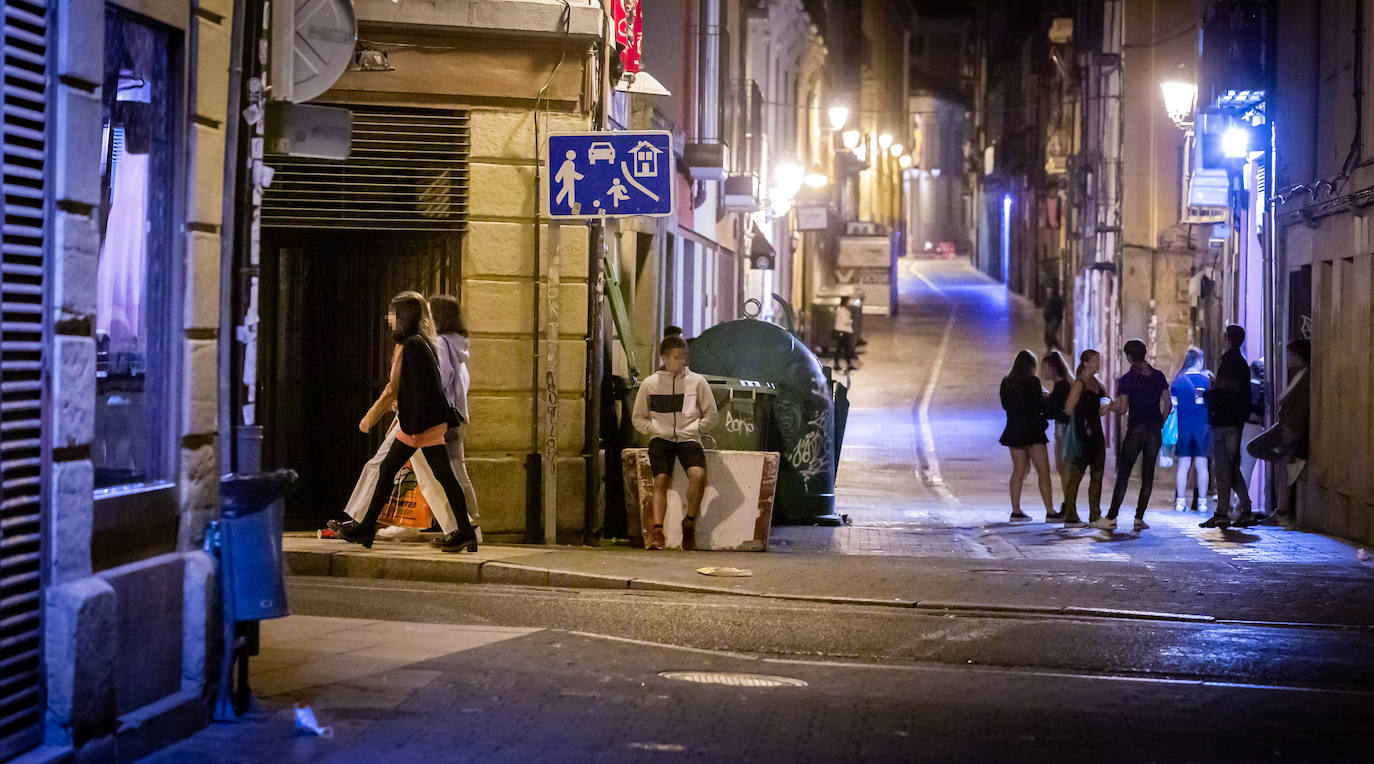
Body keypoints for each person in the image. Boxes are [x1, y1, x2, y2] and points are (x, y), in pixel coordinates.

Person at [334, 292, 478, 551]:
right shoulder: (421, 342)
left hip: (419, 427)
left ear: (404, 317)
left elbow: (421, 390)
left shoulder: (413, 345)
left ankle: (365, 527)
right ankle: (465, 531)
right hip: (424, 425)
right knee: (436, 476)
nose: (389, 318)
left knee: (399, 472)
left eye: (393, 313)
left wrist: (411, 426)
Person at [632, 335, 719, 550]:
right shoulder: (650, 384)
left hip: (689, 439)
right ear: (664, 358)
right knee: (660, 480)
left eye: (684, 357)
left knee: (698, 475)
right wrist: (653, 429)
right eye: (676, 357)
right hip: (661, 439)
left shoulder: (697, 382)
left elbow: (712, 415)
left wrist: (696, 428)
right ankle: (658, 532)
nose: (681, 362)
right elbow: (638, 417)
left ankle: (688, 522)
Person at [411, 294, 480, 545]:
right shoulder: (458, 343)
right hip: (458, 415)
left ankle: (465, 524)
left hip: (443, 415)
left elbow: (442, 380)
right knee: (457, 469)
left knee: (448, 472)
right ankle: (470, 523)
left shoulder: (440, 343)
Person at [1091, 339, 1171, 532]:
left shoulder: (1126, 379)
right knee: (1148, 475)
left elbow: (1124, 408)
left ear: (1128, 356)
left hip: (1136, 429)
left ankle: (1112, 516)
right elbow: (1168, 405)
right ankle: (1139, 517)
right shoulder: (1158, 376)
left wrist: (1111, 406)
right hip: (1154, 430)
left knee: (1124, 474)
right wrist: (1160, 422)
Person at [1248, 339, 1310, 529]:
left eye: (1291, 355)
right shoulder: (1296, 374)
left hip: (1292, 427)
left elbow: (1285, 399)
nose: (1288, 359)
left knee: (1284, 471)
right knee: (1254, 447)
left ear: (1299, 358)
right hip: (1284, 424)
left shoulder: (1305, 375)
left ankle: (1282, 512)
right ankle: (1285, 460)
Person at [1202, 324, 1255, 528]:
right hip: (1235, 421)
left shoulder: (1229, 361)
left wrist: (1210, 392)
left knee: (1224, 467)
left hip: (1225, 421)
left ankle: (1229, 512)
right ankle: (1233, 510)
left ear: (1229, 339)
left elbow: (1226, 391)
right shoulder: (1241, 363)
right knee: (1228, 467)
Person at [999, 350, 1053, 522]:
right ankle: (1050, 511)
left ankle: (1016, 511)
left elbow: (1005, 405)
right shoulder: (1033, 382)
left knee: (1018, 471)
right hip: (1033, 431)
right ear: (1032, 366)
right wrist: (1045, 396)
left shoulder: (1006, 382)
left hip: (1014, 431)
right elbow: (1038, 406)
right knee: (1043, 472)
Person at [1061, 349, 1109, 528]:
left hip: (1096, 432)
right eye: (1096, 360)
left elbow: (1105, 401)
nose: (1099, 363)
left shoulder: (1097, 383)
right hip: (1083, 433)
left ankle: (1095, 515)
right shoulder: (1080, 383)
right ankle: (1070, 515)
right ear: (1086, 362)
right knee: (1076, 474)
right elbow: (1069, 407)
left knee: (1097, 475)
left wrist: (1106, 406)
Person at [1170, 348, 1212, 514]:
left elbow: (1173, 408)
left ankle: (1180, 502)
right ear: (1199, 361)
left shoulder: (1177, 382)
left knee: (1183, 465)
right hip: (1203, 428)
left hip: (1184, 428)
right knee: (1202, 465)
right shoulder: (1207, 381)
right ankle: (1202, 503)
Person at [1040, 350, 1073, 520]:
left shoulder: (1064, 387)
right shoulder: (1063, 385)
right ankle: (1068, 504)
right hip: (1062, 430)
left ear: (1054, 368)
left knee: (1064, 468)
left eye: (1045, 368)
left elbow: (1057, 411)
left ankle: (1069, 505)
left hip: (1065, 431)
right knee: (1062, 468)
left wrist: (1046, 399)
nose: (1042, 372)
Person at [833, 296, 857, 371]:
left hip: (842, 331)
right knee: (843, 348)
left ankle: (846, 364)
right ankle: (838, 364)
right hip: (843, 331)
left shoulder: (841, 309)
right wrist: (851, 320)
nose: (849, 303)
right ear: (845, 302)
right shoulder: (841, 310)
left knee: (844, 349)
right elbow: (846, 321)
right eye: (848, 301)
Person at [1043, 286, 1064, 352]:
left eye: (1049, 290)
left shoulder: (1055, 299)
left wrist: (1055, 317)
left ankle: (1056, 348)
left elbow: (1058, 309)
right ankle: (1057, 347)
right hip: (1049, 320)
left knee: (1050, 335)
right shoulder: (1049, 298)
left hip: (1053, 319)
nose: (1047, 291)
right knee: (1048, 335)